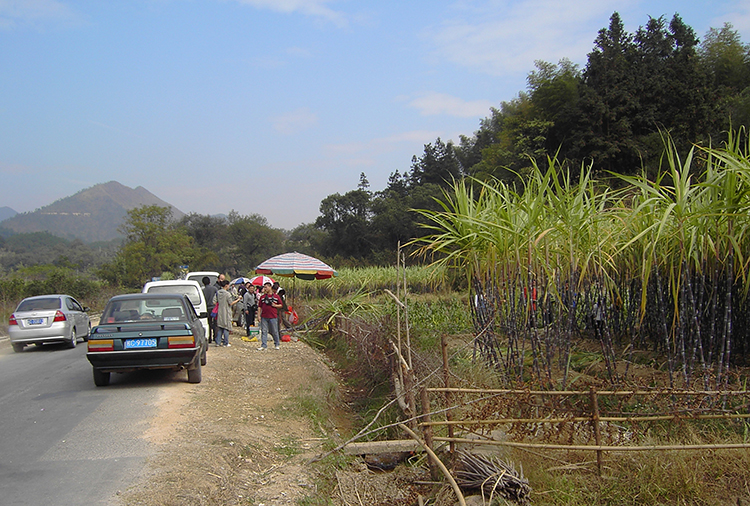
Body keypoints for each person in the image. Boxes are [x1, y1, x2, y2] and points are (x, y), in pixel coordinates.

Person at [212, 279, 241, 347]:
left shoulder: (218, 293)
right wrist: (238, 300)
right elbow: (230, 303)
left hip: (219, 312)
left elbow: (214, 302)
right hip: (226, 311)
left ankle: (218, 342)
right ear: (226, 285)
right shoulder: (227, 294)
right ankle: (225, 342)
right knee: (226, 328)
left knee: (220, 327)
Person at [258, 281, 282, 350]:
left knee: (274, 331)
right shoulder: (262, 297)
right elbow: (259, 306)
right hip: (264, 316)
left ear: (270, 287)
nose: (265, 289)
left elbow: (281, 305)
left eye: (266, 287)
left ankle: (277, 344)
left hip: (273, 316)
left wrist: (275, 305)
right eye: (264, 287)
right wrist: (258, 316)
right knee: (264, 331)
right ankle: (264, 345)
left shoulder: (276, 296)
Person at [201, 276, 218, 343]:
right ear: (210, 282)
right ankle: (215, 337)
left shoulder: (203, 290)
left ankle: (209, 338)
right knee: (215, 323)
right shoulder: (214, 288)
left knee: (209, 323)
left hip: (207, 308)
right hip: (214, 308)